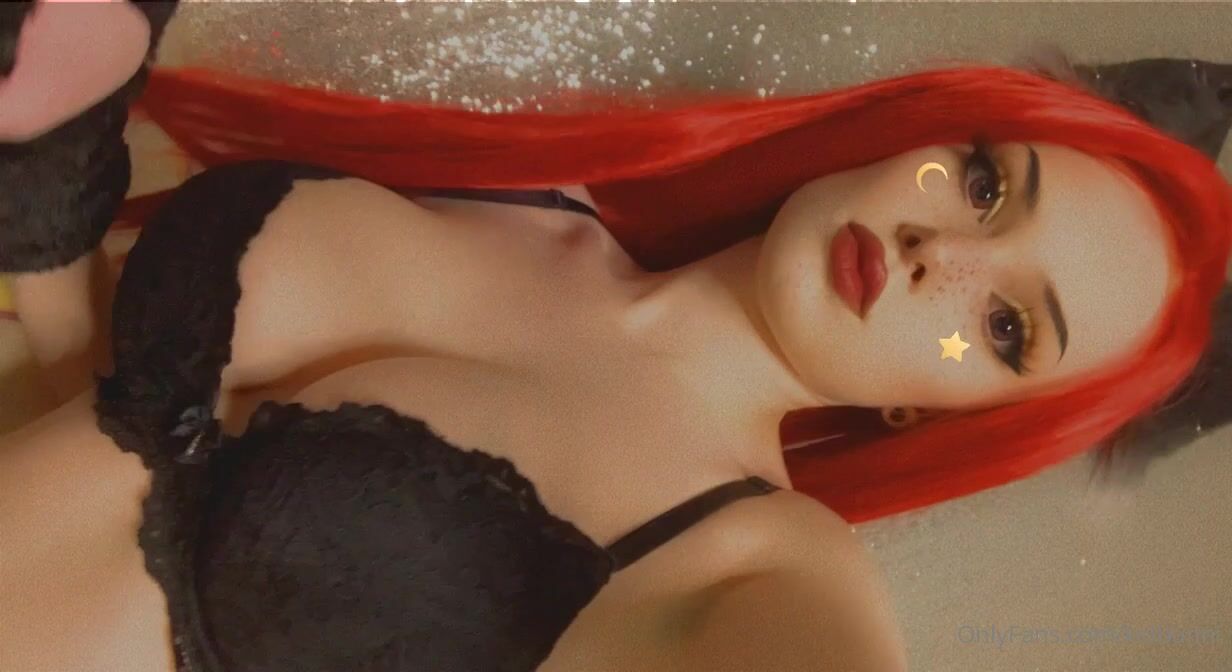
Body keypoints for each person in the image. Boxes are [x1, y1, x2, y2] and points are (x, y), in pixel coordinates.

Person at [3, 6, 1232, 672]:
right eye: (981, 184)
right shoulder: (521, 181)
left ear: (944, 414)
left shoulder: (757, 560)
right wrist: (53, 141)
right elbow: (82, 386)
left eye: (1002, 326)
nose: (937, 254)